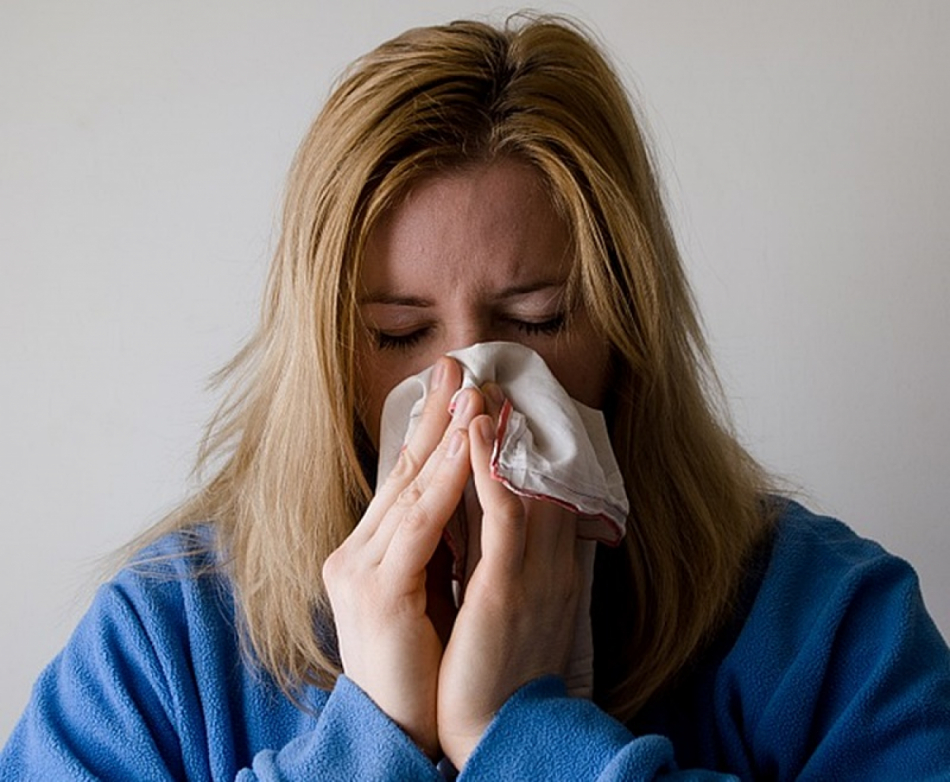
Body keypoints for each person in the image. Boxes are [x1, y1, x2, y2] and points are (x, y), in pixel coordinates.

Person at [3, 14, 949, 781]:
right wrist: (369, 742)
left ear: (626, 335)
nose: (467, 399)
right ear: (327, 359)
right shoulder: (162, 654)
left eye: (535, 323)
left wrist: (526, 738)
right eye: (398, 335)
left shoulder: (829, 628)